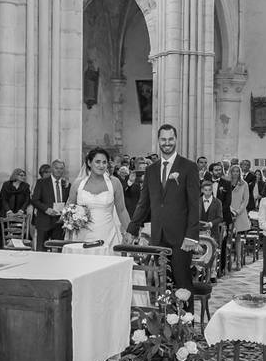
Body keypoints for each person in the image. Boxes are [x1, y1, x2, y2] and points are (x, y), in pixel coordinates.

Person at [127, 124, 202, 305]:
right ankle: (169, 327)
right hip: (158, 237)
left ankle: (186, 328)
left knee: (182, 283)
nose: (167, 143)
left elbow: (194, 205)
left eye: (170, 139)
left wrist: (191, 237)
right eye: (163, 139)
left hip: (181, 239)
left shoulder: (188, 167)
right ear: (158, 141)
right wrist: (132, 227)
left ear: (176, 140)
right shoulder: (151, 170)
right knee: (164, 285)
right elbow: (144, 203)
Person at [67, 148, 131, 255]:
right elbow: (69, 210)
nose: (101, 166)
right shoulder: (78, 184)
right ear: (89, 163)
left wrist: (129, 232)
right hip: (82, 235)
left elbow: (122, 210)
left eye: (104, 162)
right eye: (97, 162)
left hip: (107, 235)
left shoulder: (114, 183)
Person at [31, 159, 69, 251]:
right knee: (41, 250)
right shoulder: (41, 182)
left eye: (61, 168)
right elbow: (34, 200)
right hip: (44, 220)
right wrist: (46, 209)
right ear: (52, 169)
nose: (59, 170)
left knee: (59, 250)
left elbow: (69, 201)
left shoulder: (67, 184)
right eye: (56, 168)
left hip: (60, 222)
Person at [227, 164, 250, 267]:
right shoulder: (227, 183)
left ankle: (239, 261)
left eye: (237, 171)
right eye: (233, 171)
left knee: (238, 238)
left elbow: (245, 200)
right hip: (228, 211)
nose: (235, 173)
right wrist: (230, 209)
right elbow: (224, 199)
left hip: (239, 214)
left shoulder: (244, 184)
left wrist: (238, 211)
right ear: (230, 172)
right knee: (227, 237)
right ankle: (228, 261)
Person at [199, 179, 223, 244]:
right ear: (202, 190)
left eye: (209, 190)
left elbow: (220, 218)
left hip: (213, 234)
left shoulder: (218, 202)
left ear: (212, 190)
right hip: (198, 233)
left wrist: (211, 223)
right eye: (205, 190)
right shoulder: (197, 201)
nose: (208, 192)